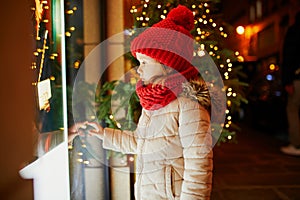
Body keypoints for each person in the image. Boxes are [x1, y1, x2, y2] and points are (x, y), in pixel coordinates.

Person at [70, 5, 213, 199]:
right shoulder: (154, 104)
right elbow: (140, 142)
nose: (139, 69)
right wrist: (104, 135)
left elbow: (199, 167)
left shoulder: (189, 107)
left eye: (144, 63)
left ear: (167, 65)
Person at [281, 11, 300, 156]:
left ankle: (296, 144)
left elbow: (289, 56)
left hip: (297, 77)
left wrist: (287, 80)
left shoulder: (295, 31)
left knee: (293, 109)